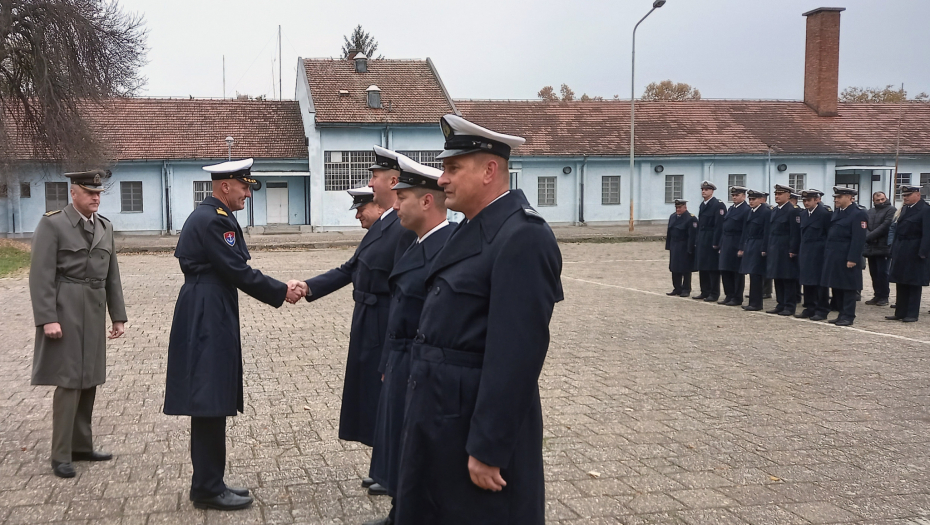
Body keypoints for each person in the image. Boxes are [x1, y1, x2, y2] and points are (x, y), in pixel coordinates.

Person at [395, 114, 562, 525]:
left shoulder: (523, 236)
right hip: (440, 414)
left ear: (489, 170)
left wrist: (489, 447)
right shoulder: (471, 228)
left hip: (470, 422)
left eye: (453, 169)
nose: (442, 180)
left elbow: (516, 357)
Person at [164, 158, 304, 510]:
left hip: (208, 303)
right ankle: (208, 488)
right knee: (209, 395)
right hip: (207, 309)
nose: (247, 194)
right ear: (225, 186)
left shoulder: (213, 216)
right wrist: (279, 290)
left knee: (212, 395)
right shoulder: (214, 221)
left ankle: (210, 482)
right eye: (244, 187)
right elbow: (237, 270)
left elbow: (232, 270)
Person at [293, 146, 417, 496]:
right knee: (374, 396)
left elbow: (403, 286)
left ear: (392, 182)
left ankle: (392, 472)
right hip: (367, 318)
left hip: (383, 320)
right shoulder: (383, 225)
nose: (369, 182)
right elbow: (350, 269)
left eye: (374, 177)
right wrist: (309, 286)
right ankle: (384, 467)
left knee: (386, 395)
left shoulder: (401, 226)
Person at [365, 156, 454, 525]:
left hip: (423, 364)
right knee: (399, 444)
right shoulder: (415, 243)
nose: (395, 205)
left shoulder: (448, 248)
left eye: (403, 198)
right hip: (401, 359)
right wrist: (388, 362)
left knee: (417, 448)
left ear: (427, 201)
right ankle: (399, 510)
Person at [29, 170, 126, 479]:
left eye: (98, 192)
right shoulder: (53, 224)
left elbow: (112, 275)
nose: (96, 197)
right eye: (89, 192)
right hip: (65, 308)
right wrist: (47, 319)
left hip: (95, 310)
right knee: (69, 382)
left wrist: (118, 316)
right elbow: (40, 275)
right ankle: (61, 455)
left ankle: (82, 447)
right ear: (74, 193)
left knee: (89, 379)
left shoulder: (105, 227)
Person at [821, 187, 868, 326]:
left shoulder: (858, 213)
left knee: (849, 287)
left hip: (847, 255)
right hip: (834, 255)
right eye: (835, 197)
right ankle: (841, 313)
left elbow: (858, 239)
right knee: (838, 285)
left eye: (839, 197)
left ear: (849, 197)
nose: (836, 199)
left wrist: (853, 258)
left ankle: (848, 315)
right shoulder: (837, 213)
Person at [887, 184, 930, 322]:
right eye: (904, 195)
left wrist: (923, 252)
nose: (905, 198)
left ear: (918, 194)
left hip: (915, 249)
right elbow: (898, 231)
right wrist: (893, 249)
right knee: (901, 280)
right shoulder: (905, 209)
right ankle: (900, 311)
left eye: (908, 195)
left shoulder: (925, 210)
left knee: (913, 282)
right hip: (902, 247)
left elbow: (927, 234)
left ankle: (911, 313)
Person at [796, 189, 832, 320]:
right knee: (807, 280)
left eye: (808, 200)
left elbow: (828, 234)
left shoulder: (824, 213)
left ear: (816, 200)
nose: (806, 203)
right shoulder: (803, 214)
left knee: (819, 282)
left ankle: (822, 309)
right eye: (804, 200)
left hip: (819, 251)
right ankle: (810, 307)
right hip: (806, 250)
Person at [765, 184, 801, 316]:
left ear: (788, 195)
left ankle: (789, 306)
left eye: (780, 194)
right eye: (776, 194)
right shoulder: (775, 210)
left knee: (788, 278)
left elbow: (795, 232)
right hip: (775, 247)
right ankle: (780, 303)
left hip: (786, 248)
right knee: (777, 276)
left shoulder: (793, 210)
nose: (777, 196)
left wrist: (793, 249)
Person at [693, 181, 726, 302]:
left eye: (706, 189)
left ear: (712, 191)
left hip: (712, 237)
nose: (703, 191)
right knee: (703, 266)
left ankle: (714, 292)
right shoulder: (703, 205)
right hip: (703, 238)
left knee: (712, 267)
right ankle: (704, 291)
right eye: (702, 189)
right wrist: (697, 240)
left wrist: (716, 242)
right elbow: (700, 224)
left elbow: (719, 225)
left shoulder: (718, 205)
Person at [738, 190, 771, 311]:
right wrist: (742, 247)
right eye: (750, 199)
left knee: (757, 274)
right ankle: (752, 301)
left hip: (759, 244)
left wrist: (764, 248)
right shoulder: (750, 212)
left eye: (754, 199)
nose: (751, 202)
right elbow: (745, 231)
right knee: (752, 274)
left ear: (761, 200)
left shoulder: (765, 212)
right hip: (750, 244)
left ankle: (757, 303)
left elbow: (767, 232)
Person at [717, 186, 750, 306]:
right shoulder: (731, 208)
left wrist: (742, 247)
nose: (734, 197)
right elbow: (724, 228)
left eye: (737, 195)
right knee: (725, 270)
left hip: (736, 242)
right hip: (726, 242)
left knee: (736, 272)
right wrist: (721, 244)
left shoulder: (746, 209)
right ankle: (728, 295)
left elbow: (745, 231)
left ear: (743, 196)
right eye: (733, 195)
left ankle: (737, 297)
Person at [863, 191, 895, 306]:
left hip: (883, 247)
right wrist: (867, 235)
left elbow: (885, 226)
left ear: (885, 198)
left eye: (882, 199)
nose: (881, 202)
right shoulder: (870, 211)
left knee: (883, 272)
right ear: (873, 201)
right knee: (874, 272)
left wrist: (869, 236)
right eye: (878, 200)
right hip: (871, 247)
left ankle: (884, 296)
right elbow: (864, 225)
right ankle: (877, 295)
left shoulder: (891, 210)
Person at [666, 199, 698, 297]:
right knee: (674, 267)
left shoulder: (690, 218)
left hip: (684, 245)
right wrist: (668, 246)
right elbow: (669, 233)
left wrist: (690, 249)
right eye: (676, 207)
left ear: (685, 207)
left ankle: (686, 289)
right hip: (674, 245)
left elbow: (693, 235)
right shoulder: (672, 217)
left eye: (680, 207)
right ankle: (677, 288)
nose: (678, 209)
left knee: (685, 268)